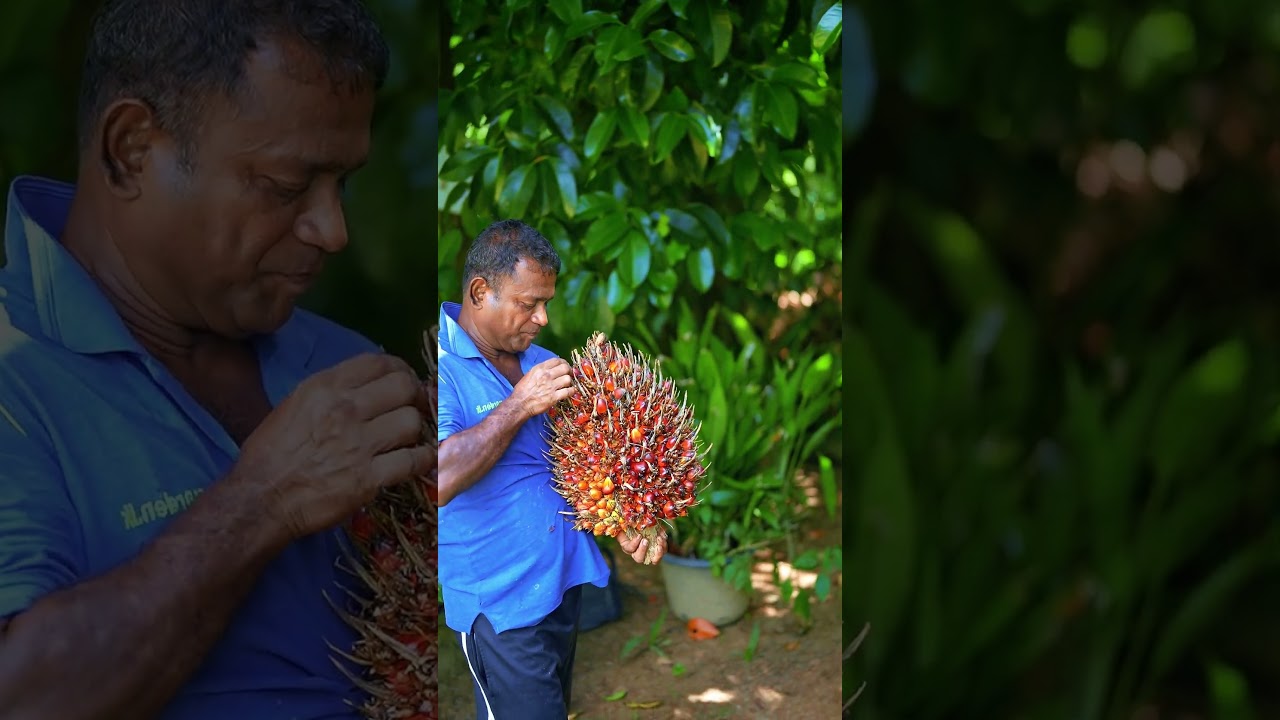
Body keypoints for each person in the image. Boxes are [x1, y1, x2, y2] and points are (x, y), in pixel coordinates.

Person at [0, 2, 435, 718]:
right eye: (286, 187)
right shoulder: (18, 381)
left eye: (343, 184)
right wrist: (263, 501)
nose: (333, 231)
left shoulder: (346, 366)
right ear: (131, 147)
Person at [436, 219, 667, 719]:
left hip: (561, 587)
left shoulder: (541, 362)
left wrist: (631, 517)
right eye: (528, 303)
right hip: (499, 608)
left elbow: (589, 459)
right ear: (480, 291)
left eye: (547, 303)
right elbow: (437, 477)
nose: (542, 318)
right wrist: (520, 404)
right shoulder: (438, 366)